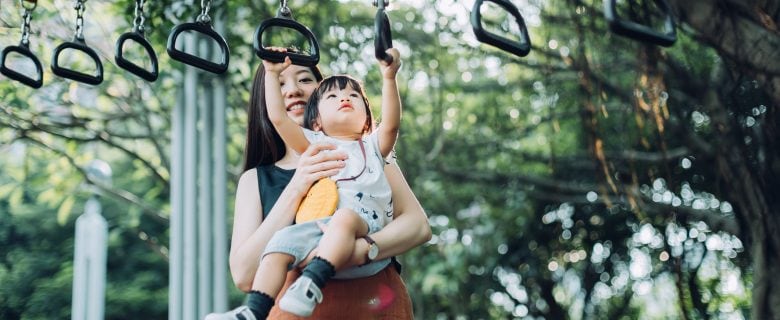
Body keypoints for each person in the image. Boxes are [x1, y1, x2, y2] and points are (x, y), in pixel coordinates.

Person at [206, 48, 430, 320]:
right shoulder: (257, 179)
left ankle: (314, 279)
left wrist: (362, 249)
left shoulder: (368, 154)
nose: (292, 91)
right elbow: (244, 275)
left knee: (345, 220)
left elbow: (418, 227)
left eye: (304, 80)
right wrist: (298, 186)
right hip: (294, 312)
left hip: (373, 301)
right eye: (279, 84)